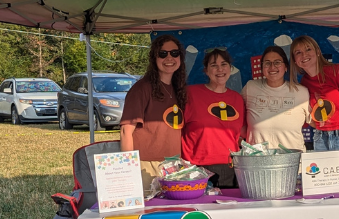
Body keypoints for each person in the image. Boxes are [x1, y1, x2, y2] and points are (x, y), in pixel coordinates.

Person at [120, 34, 187, 188]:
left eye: (174, 53)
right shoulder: (141, 89)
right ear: (154, 58)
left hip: (173, 165)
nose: (169, 58)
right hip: (146, 165)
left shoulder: (179, 89)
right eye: (163, 54)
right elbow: (125, 131)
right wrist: (129, 168)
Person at [290, 34, 339, 166]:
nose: (304, 55)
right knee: (326, 185)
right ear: (295, 60)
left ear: (318, 52)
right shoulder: (304, 83)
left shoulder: (337, 71)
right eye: (298, 52)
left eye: (308, 49)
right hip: (320, 138)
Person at [181, 47, 245, 188]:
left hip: (229, 169)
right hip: (195, 168)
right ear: (206, 70)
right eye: (214, 65)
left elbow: (240, 134)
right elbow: (175, 130)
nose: (220, 69)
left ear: (230, 68)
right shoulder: (190, 94)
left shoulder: (237, 99)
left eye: (223, 64)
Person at [242, 45, 309, 150]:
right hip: (257, 161)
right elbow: (237, 117)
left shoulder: (301, 92)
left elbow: (316, 121)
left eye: (277, 62)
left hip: (292, 161)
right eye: (267, 63)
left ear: (285, 67)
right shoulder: (250, 88)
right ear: (262, 67)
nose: (272, 67)